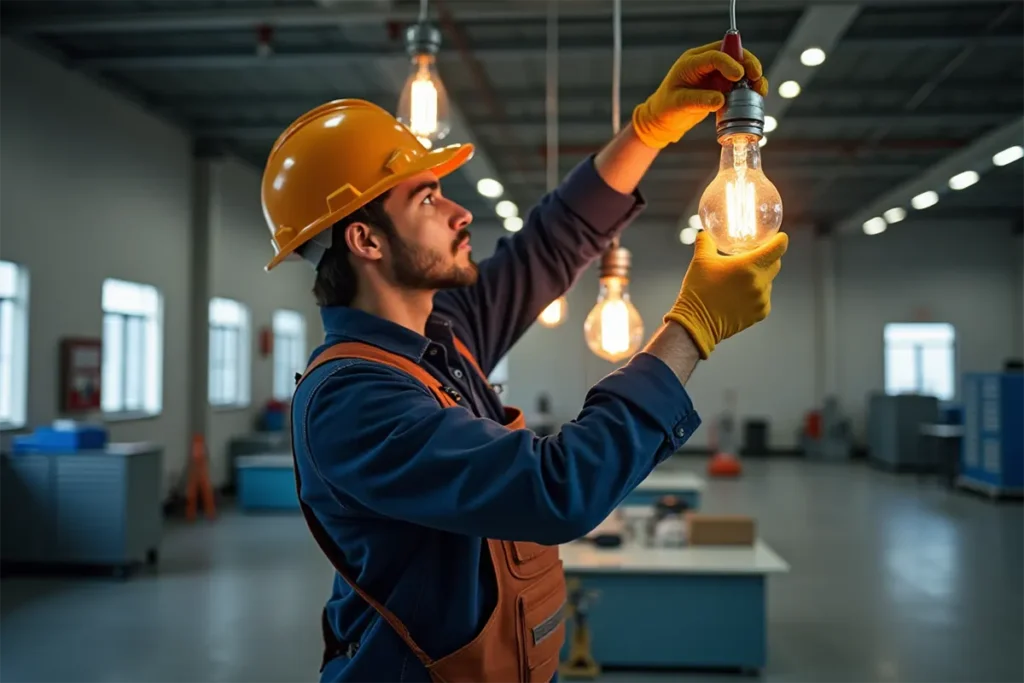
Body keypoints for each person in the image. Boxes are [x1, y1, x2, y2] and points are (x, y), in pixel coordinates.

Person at [261, 40, 788, 683]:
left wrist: (648, 129)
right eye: (427, 199)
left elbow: (551, 242)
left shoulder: (442, 339)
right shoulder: (352, 400)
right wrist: (692, 328)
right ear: (365, 239)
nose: (460, 214)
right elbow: (553, 490)